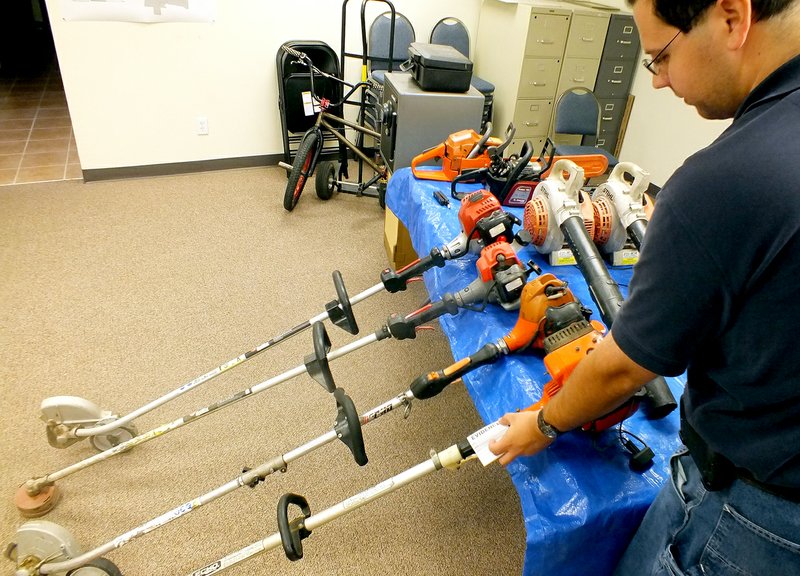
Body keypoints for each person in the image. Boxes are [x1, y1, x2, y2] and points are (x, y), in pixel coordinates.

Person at [488, 0, 800, 573]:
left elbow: (624, 367)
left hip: (751, 516)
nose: (656, 82)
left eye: (661, 56)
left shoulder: (724, 182)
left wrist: (541, 423)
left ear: (733, 17)